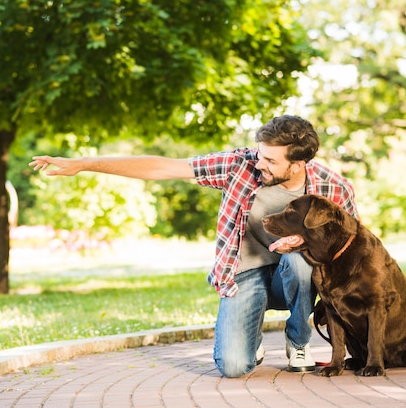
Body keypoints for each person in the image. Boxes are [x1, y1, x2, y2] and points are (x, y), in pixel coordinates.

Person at [29, 114, 358, 377]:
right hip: (244, 274)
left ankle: (298, 342)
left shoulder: (333, 188)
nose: (259, 163)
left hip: (296, 276)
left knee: (301, 263)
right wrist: (85, 163)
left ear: (298, 165)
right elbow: (163, 167)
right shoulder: (237, 165)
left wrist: (305, 245)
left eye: (270, 160)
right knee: (233, 367)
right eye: (259, 155)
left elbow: (353, 248)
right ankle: (249, 336)